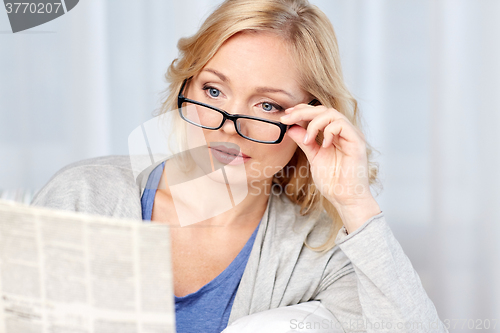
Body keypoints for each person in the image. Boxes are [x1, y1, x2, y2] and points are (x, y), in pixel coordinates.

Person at [32, 0, 448, 332]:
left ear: (311, 120)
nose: (229, 128)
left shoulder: (317, 249)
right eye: (213, 90)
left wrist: (355, 202)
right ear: (186, 86)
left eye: (268, 105)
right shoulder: (83, 196)